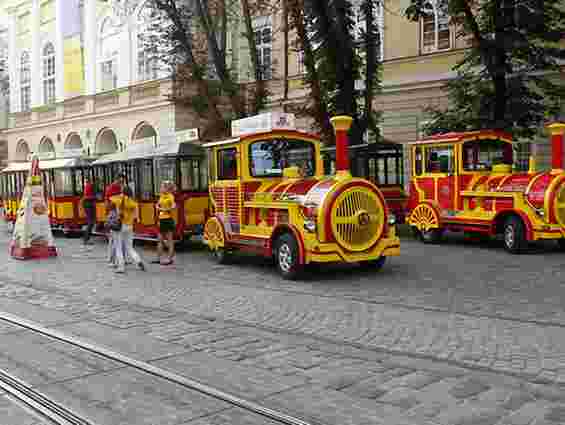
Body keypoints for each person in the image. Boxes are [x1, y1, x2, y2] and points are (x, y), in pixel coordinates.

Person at [110, 186, 146, 273]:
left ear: (122, 191)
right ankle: (138, 261)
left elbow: (110, 200)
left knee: (118, 247)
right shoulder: (133, 202)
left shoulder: (118, 199)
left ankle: (121, 267)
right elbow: (136, 216)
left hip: (119, 226)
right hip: (129, 226)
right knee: (130, 247)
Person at [153, 181, 176, 265]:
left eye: (162, 187)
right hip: (161, 219)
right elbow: (158, 204)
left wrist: (165, 210)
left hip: (168, 219)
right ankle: (158, 258)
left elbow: (173, 206)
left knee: (169, 240)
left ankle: (169, 259)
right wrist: (157, 207)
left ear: (167, 188)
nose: (161, 189)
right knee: (159, 240)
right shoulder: (161, 196)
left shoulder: (170, 196)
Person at [104, 174, 125, 265]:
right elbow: (108, 203)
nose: (121, 183)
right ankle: (111, 259)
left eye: (122, 182)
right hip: (113, 213)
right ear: (116, 180)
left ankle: (121, 258)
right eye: (120, 181)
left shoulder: (120, 188)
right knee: (114, 238)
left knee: (119, 238)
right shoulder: (111, 188)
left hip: (119, 213)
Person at [82, 177, 96, 245]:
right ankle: (86, 239)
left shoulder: (87, 186)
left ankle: (86, 239)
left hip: (87, 203)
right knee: (91, 222)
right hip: (89, 204)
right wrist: (95, 197)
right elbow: (90, 196)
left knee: (90, 222)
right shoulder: (90, 186)